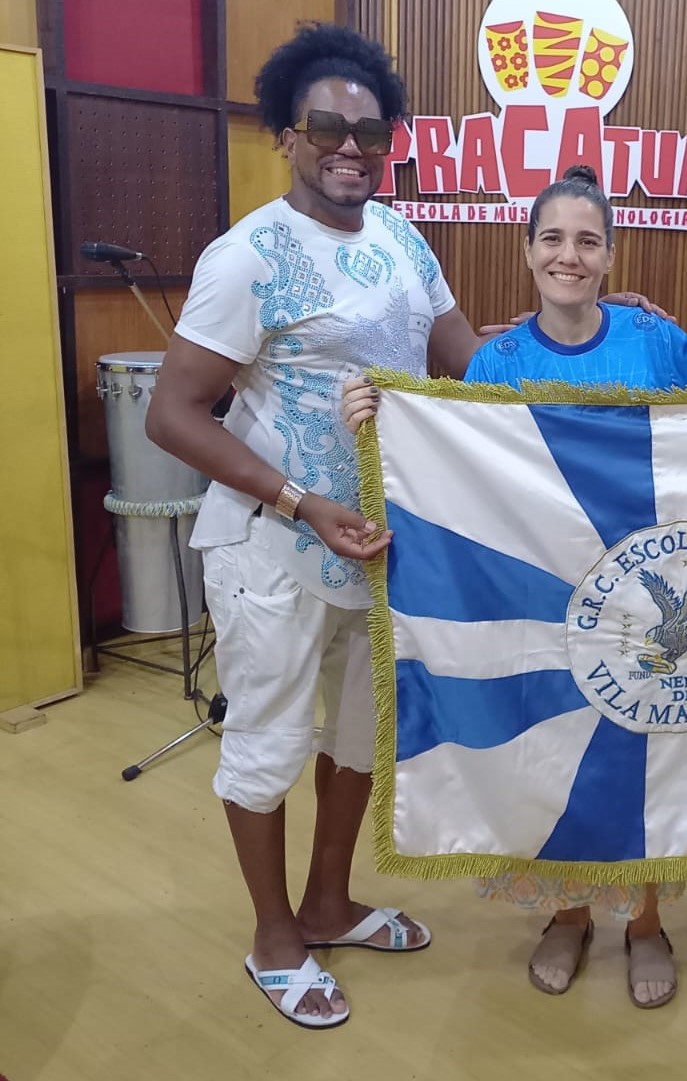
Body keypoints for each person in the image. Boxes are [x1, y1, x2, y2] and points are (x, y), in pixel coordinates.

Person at [142, 23, 503, 1029]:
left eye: (371, 131)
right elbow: (171, 414)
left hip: (377, 547)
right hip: (275, 550)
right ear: (288, 137)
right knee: (266, 745)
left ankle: (329, 901)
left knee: (354, 740)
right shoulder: (246, 255)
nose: (353, 147)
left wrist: (586, 334)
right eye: (328, 128)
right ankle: (274, 935)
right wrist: (300, 501)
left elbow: (464, 357)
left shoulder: (402, 237)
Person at [343, 164, 687, 1009]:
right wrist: (385, 423)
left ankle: (647, 919)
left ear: (611, 256)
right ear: (526, 251)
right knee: (552, 755)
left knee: (648, 754)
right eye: (553, 237)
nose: (570, 255)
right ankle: (569, 911)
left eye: (588, 240)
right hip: (540, 606)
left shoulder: (656, 343)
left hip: (645, 598)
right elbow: (459, 477)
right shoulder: (495, 360)